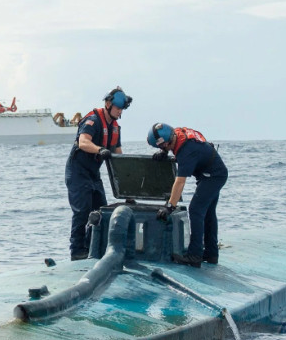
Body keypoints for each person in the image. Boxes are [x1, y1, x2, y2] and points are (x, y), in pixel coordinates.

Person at [65, 87, 132, 260]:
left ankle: (93, 248)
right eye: (118, 108)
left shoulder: (115, 128)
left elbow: (118, 157)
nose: (120, 112)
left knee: (101, 211)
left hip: (94, 174)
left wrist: (128, 189)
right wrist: (100, 150)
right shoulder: (93, 121)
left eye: (122, 109)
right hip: (78, 172)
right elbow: (83, 143)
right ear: (108, 104)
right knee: (82, 211)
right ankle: (77, 251)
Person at [148, 123, 228, 268]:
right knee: (208, 213)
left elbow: (180, 182)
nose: (163, 148)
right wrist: (164, 153)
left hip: (213, 176)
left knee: (196, 210)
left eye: (162, 147)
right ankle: (211, 254)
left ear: (167, 142)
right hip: (214, 172)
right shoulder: (177, 134)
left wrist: (170, 206)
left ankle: (194, 256)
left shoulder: (186, 150)